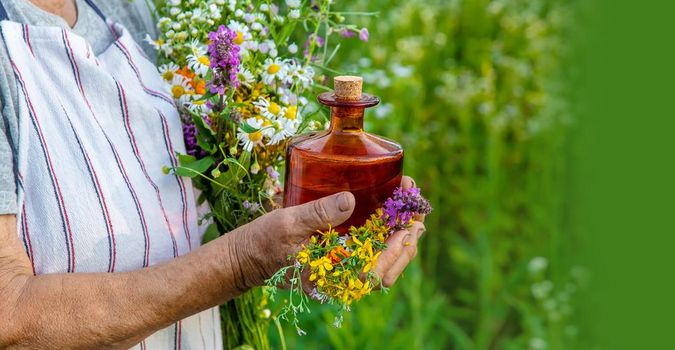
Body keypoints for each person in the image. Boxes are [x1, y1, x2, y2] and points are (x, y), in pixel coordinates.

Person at [0, 0, 427, 348]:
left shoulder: (126, 12)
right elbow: (10, 317)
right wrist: (243, 260)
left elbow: (189, 195)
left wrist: (304, 251)